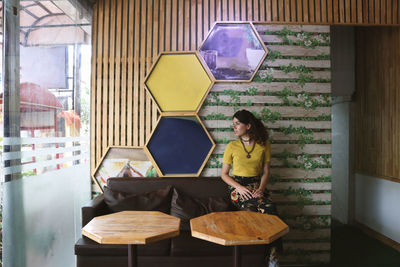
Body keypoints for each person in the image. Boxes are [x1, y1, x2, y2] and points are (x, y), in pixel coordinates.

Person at [221, 109, 281, 267]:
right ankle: (265, 258)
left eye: (237, 124)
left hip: (256, 186)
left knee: (271, 210)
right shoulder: (232, 146)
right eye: (233, 124)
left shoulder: (264, 145)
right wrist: (239, 188)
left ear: (248, 126)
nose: (233, 127)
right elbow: (224, 175)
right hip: (238, 187)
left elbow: (266, 171)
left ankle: (272, 256)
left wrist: (261, 189)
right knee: (257, 208)